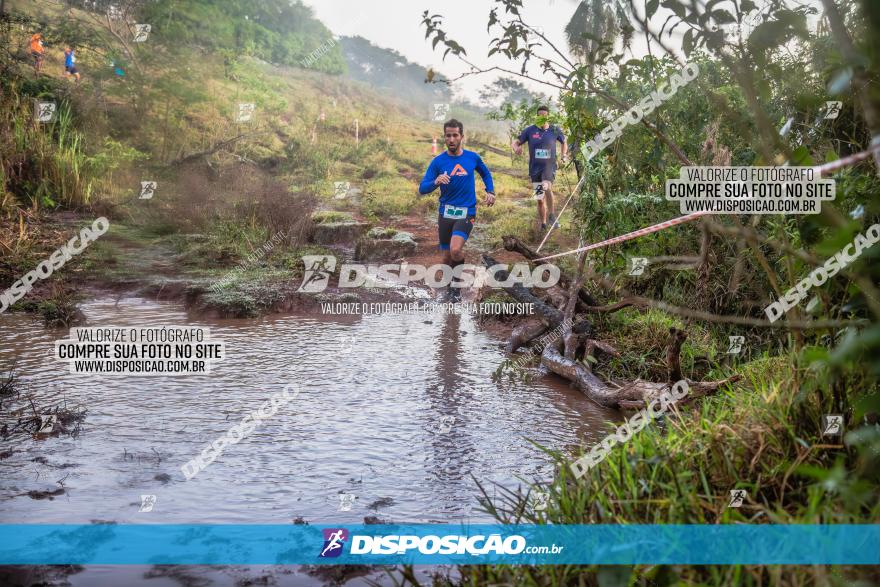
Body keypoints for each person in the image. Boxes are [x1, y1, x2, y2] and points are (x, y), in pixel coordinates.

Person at [418, 118, 495, 301]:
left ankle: (455, 289)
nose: (451, 139)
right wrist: (436, 181)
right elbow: (423, 188)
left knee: (455, 250)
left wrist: (490, 191)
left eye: (455, 135)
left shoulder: (472, 158)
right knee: (446, 257)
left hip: (467, 211)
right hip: (445, 212)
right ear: (444, 137)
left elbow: (486, 173)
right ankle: (447, 288)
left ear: (462, 136)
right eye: (448, 136)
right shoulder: (438, 162)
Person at [512, 105, 568, 232]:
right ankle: (543, 224)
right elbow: (516, 142)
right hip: (535, 168)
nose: (542, 117)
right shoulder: (530, 130)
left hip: (549, 166)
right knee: (540, 199)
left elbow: (564, 142)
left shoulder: (554, 130)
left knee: (546, 185)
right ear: (537, 117)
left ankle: (552, 216)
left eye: (544, 115)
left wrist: (564, 156)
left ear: (548, 116)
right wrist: (516, 148)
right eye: (539, 115)